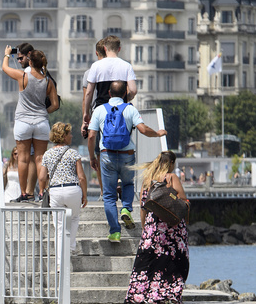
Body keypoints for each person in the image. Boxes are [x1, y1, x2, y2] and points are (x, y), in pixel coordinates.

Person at [88, 81, 166, 243]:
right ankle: (126, 208)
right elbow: (143, 129)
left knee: (109, 195)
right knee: (128, 185)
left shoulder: (99, 110)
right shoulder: (130, 109)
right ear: (125, 93)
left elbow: (91, 136)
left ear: (109, 93)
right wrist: (158, 134)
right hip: (127, 154)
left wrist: (91, 157)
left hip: (107, 155)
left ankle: (115, 232)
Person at [126, 150, 191, 304]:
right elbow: (182, 201)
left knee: (154, 264)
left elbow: (143, 207)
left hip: (152, 228)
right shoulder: (171, 178)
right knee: (176, 262)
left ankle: (156, 298)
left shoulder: (148, 181)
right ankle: (174, 295)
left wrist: (145, 229)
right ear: (171, 163)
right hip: (172, 229)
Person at [81, 36, 137, 192]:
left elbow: (89, 93)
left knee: (103, 149)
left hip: (102, 111)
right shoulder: (126, 66)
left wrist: (87, 113)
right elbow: (133, 90)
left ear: (104, 48)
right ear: (119, 49)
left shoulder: (96, 66)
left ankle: (107, 187)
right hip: (123, 111)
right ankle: (121, 180)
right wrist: (126, 99)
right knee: (122, 143)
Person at [4, 46, 57, 202]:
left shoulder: (23, 76)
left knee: (23, 158)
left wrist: (7, 55)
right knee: (40, 158)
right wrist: (43, 111)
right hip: (41, 122)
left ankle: (24, 193)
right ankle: (41, 192)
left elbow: (5, 68)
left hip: (23, 121)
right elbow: (55, 104)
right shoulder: (48, 81)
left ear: (30, 62)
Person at [38, 122, 88, 254]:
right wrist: (84, 194)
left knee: (59, 226)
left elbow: (42, 177)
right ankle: (71, 248)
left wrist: (42, 190)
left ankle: (60, 260)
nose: (71, 136)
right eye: (69, 133)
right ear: (64, 136)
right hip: (72, 190)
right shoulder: (73, 153)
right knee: (74, 218)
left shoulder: (47, 154)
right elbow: (81, 177)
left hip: (55, 191)